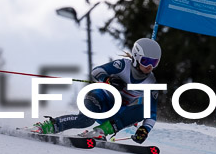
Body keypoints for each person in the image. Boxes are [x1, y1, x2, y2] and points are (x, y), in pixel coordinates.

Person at [31, 38, 161, 143]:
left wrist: (145, 129)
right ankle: (46, 126)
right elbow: (97, 71)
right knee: (85, 120)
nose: (149, 67)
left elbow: (152, 113)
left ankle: (101, 131)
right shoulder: (122, 66)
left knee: (143, 110)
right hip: (99, 98)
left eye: (154, 63)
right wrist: (108, 79)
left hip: (115, 112)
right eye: (145, 61)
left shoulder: (151, 83)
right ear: (136, 57)